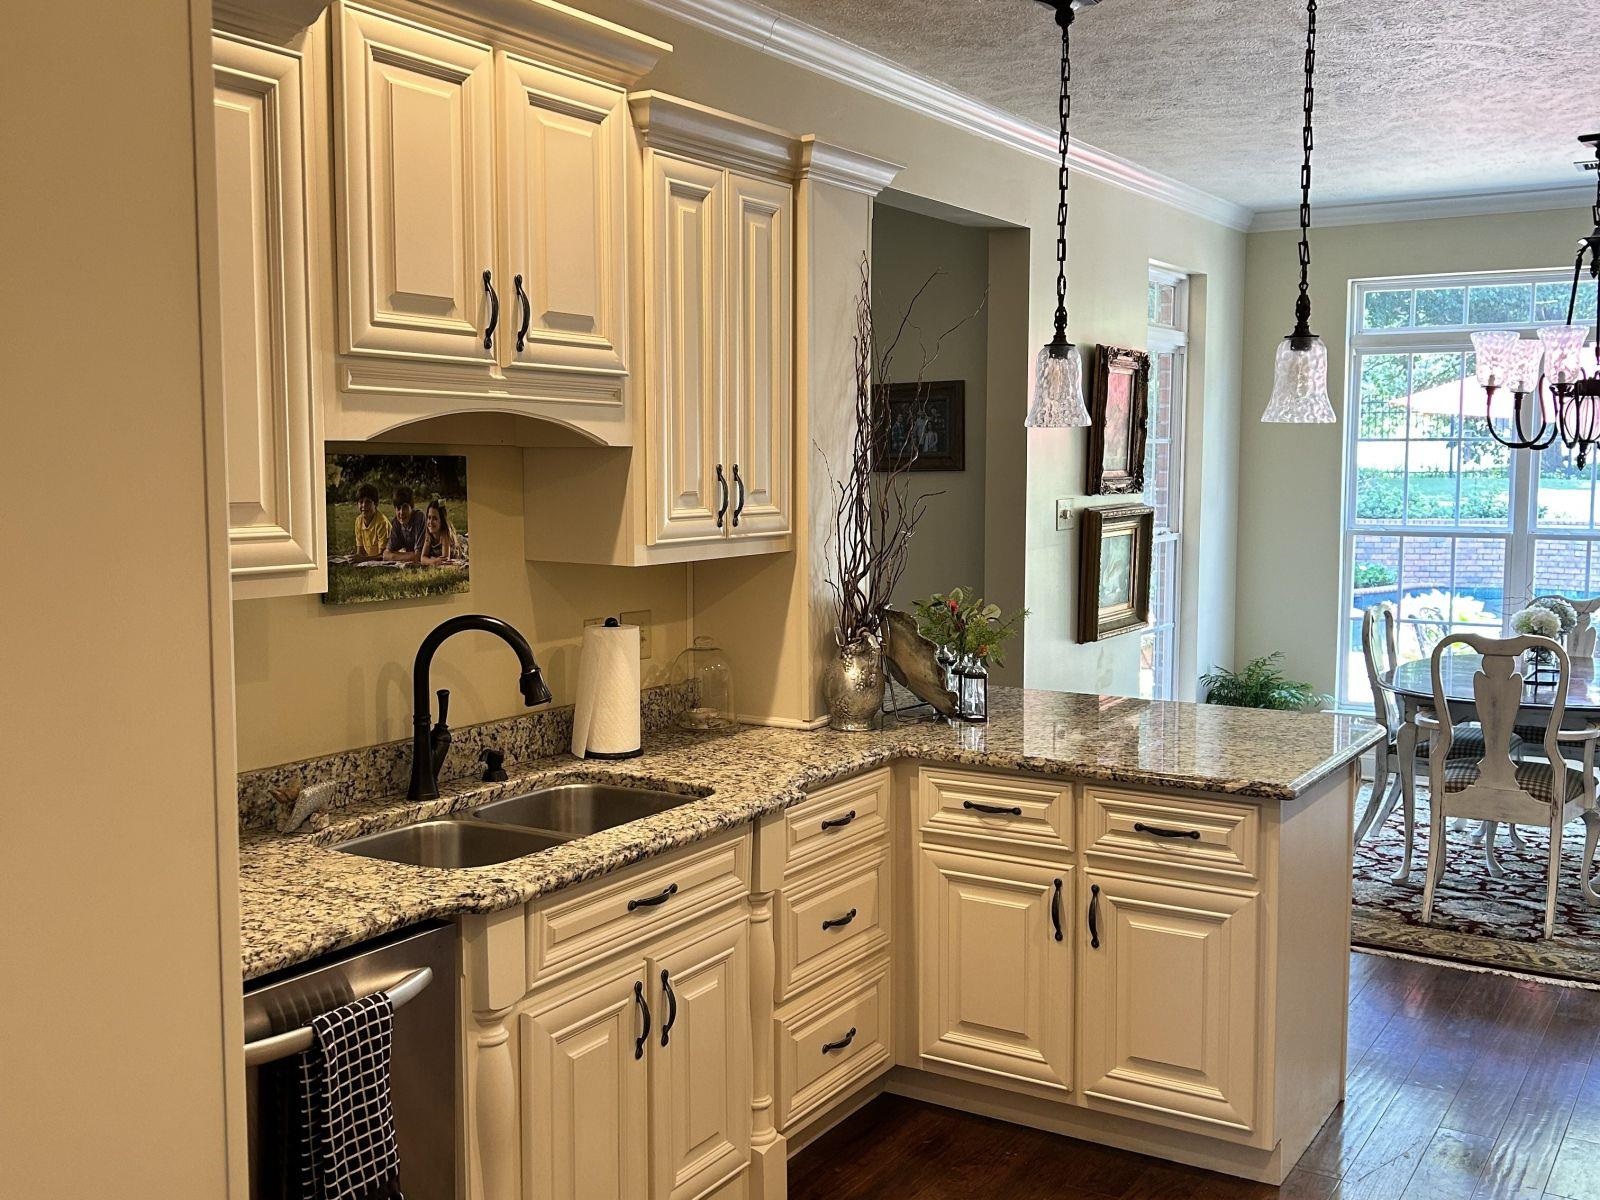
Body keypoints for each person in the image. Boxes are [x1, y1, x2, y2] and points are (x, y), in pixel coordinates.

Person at [383, 486, 427, 563]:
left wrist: (395, 555)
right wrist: (409, 555)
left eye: (405, 507)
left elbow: (418, 556)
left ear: (412, 507)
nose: (401, 512)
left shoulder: (419, 518)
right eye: (398, 508)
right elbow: (386, 555)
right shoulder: (396, 522)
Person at [351, 483, 390, 562]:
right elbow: (360, 551)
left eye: (368, 502)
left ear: (376, 504)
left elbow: (383, 556)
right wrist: (356, 557)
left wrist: (363, 559)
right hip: (371, 558)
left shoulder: (381, 522)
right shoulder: (359, 521)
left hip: (390, 556)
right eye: (361, 502)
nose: (364, 505)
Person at [419, 499, 462, 566]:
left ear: (442, 521)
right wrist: (433, 562)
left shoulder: (444, 535)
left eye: (435, 518)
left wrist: (430, 560)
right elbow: (422, 558)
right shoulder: (429, 536)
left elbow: (445, 559)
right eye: (429, 517)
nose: (430, 522)